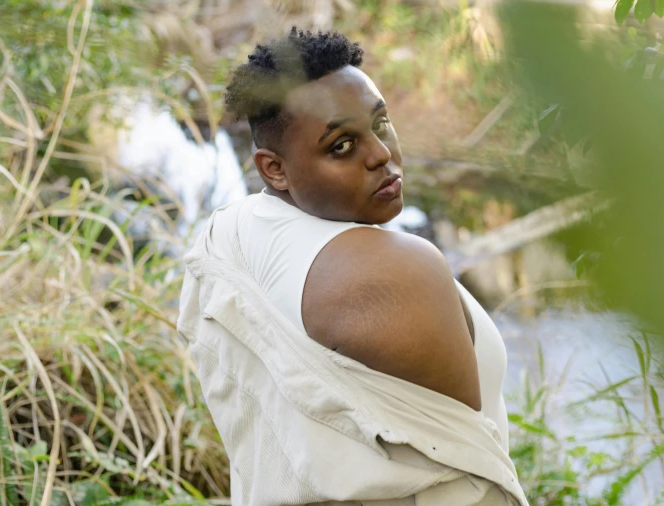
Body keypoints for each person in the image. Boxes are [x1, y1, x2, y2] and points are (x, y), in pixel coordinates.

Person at [178, 28, 526, 506]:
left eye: (380, 124)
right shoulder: (405, 271)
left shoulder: (229, 233)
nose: (381, 155)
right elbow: (467, 479)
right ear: (273, 169)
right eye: (341, 145)